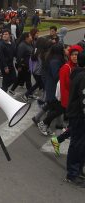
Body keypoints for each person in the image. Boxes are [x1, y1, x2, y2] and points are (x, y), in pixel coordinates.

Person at [50, 45, 83, 156]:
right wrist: (67, 104)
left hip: (78, 104)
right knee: (75, 129)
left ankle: (57, 140)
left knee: (74, 127)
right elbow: (64, 88)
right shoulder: (66, 68)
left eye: (77, 55)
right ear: (70, 56)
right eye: (73, 55)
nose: (75, 57)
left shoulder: (78, 67)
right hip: (72, 104)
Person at [64, 50, 85, 187]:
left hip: (77, 114)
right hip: (79, 115)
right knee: (77, 144)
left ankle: (77, 170)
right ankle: (72, 173)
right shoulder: (83, 76)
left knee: (79, 144)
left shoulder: (78, 73)